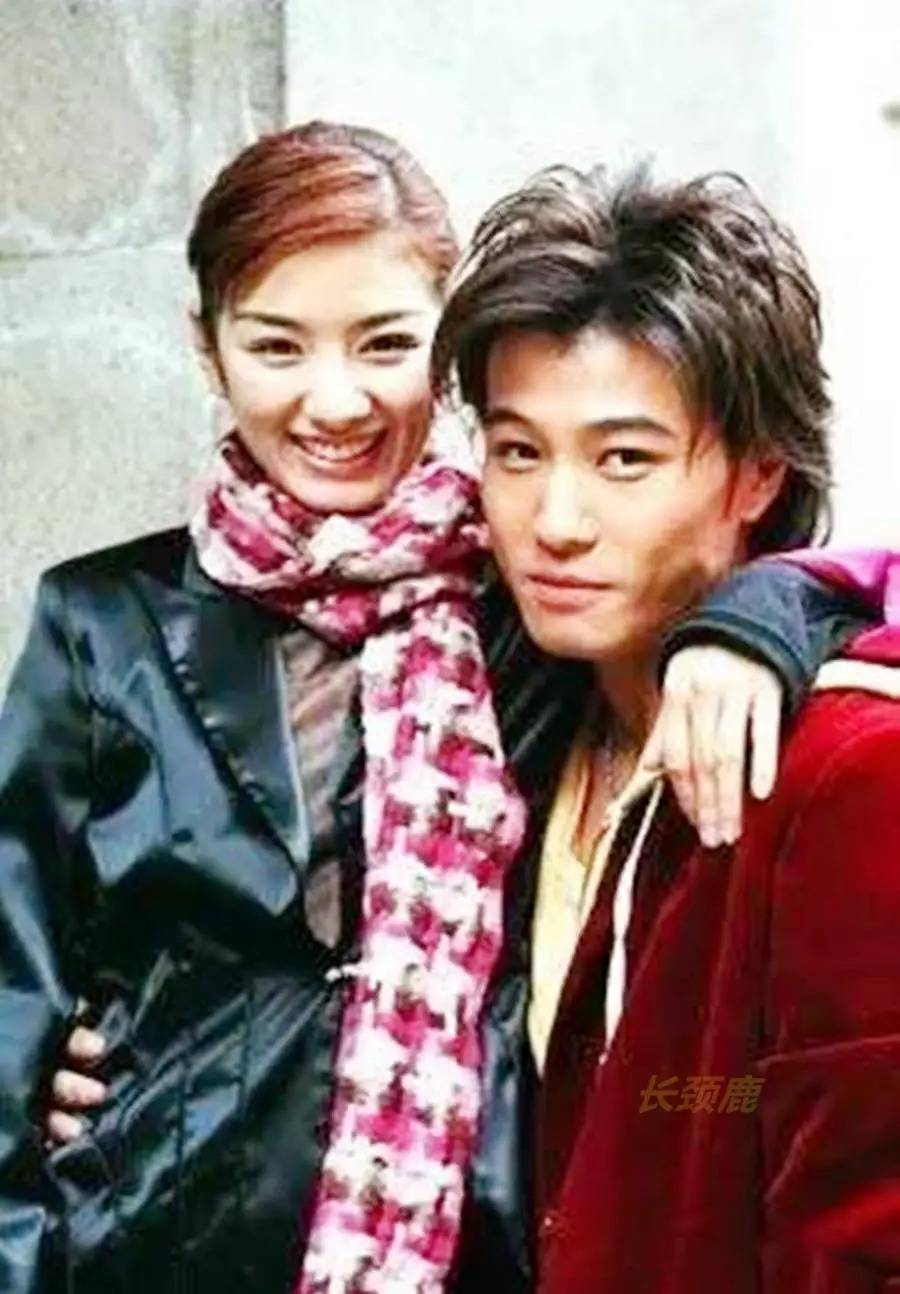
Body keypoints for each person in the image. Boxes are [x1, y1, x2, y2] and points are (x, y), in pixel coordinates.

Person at [8, 124, 866, 1294]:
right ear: (207, 348)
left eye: (382, 342)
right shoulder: (105, 622)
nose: (334, 398)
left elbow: (836, 588)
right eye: (277, 344)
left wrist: (765, 611)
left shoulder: (510, 608)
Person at [431, 161, 900, 1291]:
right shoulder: (482, 739)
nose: (556, 521)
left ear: (757, 475)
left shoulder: (847, 772)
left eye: (625, 460)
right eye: (518, 450)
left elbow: (865, 1232)